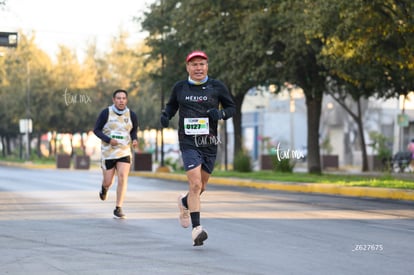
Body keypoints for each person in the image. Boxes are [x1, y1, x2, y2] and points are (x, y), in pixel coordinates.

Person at [160, 50, 236, 246]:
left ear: (207, 66)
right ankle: (197, 230)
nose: (198, 68)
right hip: (188, 142)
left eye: (201, 64)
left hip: (209, 143)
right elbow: (171, 106)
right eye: (194, 64)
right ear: (188, 68)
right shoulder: (180, 87)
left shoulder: (216, 86)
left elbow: (231, 108)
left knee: (201, 187)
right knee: (195, 184)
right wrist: (166, 115)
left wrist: (220, 114)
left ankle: (184, 202)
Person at [93, 89, 138, 219]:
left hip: (124, 151)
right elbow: (96, 130)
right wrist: (108, 140)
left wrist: (134, 139)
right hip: (108, 153)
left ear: (126, 100)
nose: (121, 101)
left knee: (123, 177)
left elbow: (133, 131)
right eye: (118, 98)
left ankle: (118, 208)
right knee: (108, 181)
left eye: (123, 98)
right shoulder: (106, 112)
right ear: (114, 100)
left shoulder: (131, 115)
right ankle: (104, 188)